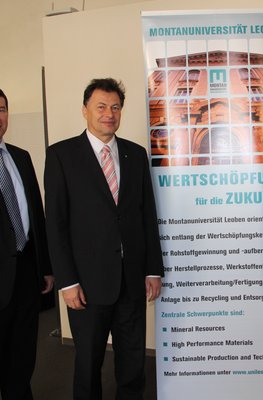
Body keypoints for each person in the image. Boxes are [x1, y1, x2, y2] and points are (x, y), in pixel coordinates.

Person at [44, 78, 164, 399]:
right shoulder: (61, 155)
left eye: (115, 107)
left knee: (132, 363)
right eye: (101, 106)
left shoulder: (135, 154)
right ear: (85, 110)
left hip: (131, 281)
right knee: (88, 364)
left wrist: (153, 269)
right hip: (86, 284)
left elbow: (146, 216)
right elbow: (56, 224)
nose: (108, 114)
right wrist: (67, 282)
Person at [0, 89, 54, 399]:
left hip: (25, 275)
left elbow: (36, 213)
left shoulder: (20, 157)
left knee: (22, 358)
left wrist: (45, 267)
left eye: (2, 109)